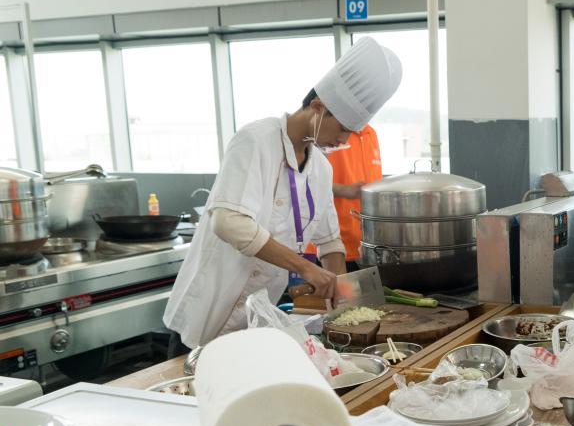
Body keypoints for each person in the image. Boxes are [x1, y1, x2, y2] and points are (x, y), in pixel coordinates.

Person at [164, 37, 402, 349]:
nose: (343, 140)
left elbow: (330, 242)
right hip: (205, 313)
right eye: (343, 129)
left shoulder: (321, 168)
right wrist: (305, 268)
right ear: (318, 108)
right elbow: (228, 222)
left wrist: (343, 303)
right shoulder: (256, 140)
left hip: (253, 320)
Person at [316, 123, 384, 272]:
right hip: (325, 242)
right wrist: (345, 190)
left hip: (363, 246)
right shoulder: (328, 129)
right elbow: (306, 182)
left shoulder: (370, 133)